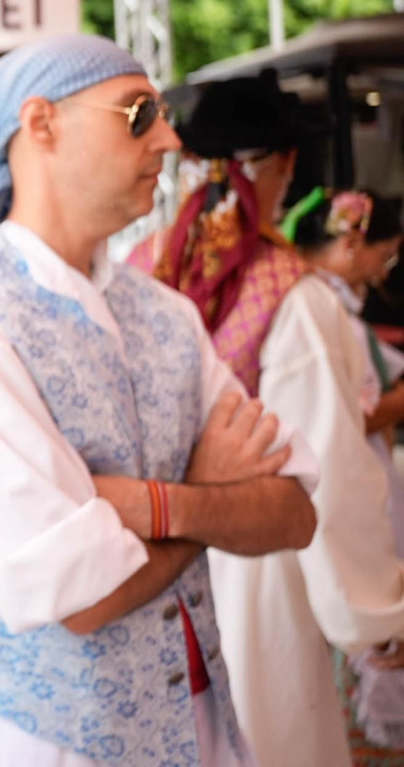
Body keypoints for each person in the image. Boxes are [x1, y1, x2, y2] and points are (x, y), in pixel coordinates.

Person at [0, 36, 320, 767]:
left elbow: (294, 513)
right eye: (138, 112)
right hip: (48, 744)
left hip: (204, 725)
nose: (170, 139)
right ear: (41, 124)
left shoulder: (164, 311)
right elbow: (82, 598)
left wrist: (156, 508)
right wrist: (208, 493)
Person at [128, 75, 404, 767]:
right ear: (285, 163)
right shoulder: (295, 298)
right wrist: (375, 613)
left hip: (145, 568)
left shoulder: (140, 271)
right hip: (257, 561)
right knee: (270, 728)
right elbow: (331, 472)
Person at [286, 189, 404, 760]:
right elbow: (349, 419)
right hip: (334, 489)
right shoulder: (315, 311)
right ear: (352, 241)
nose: (385, 268)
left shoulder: (326, 306)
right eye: (385, 253)